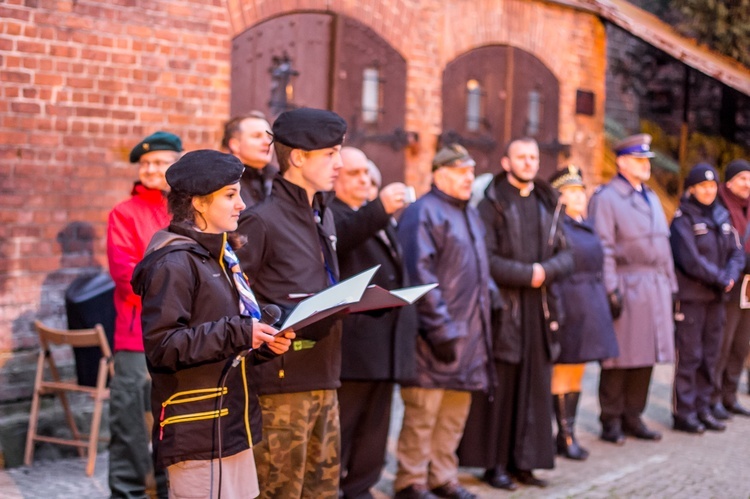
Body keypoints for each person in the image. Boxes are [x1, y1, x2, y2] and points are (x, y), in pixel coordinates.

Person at [130, 150, 294, 498]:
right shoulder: (173, 263)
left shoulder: (223, 256)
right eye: (231, 195)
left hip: (233, 423)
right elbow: (163, 346)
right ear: (199, 204)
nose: (242, 204)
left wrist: (261, 344)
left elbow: (225, 339)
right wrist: (239, 331)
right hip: (197, 426)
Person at [235, 107, 348, 498]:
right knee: (280, 492)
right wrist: (278, 317)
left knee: (323, 492)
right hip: (282, 386)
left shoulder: (323, 215)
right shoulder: (261, 220)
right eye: (330, 153)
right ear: (298, 157)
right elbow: (236, 301)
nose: (340, 163)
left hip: (325, 375)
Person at [458, 138, 573, 490]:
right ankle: (496, 465)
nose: (528, 163)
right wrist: (529, 275)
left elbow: (567, 255)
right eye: (521, 157)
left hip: (539, 311)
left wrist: (544, 271)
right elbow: (485, 258)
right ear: (506, 162)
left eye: (533, 157)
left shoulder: (546, 201)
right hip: (504, 310)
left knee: (535, 389)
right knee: (503, 391)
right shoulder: (490, 203)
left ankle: (526, 462)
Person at [393, 144, 492, 499]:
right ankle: (411, 480)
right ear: (440, 174)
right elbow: (419, 275)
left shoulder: (469, 214)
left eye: (471, 171)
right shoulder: (423, 213)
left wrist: (491, 298)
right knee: (423, 414)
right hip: (433, 337)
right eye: (462, 172)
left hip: (469, 335)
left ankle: (443, 476)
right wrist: (440, 329)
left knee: (452, 415)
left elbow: (480, 267)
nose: (470, 178)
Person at [331, 147, 415, 499]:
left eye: (368, 173)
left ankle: (361, 488)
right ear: (335, 177)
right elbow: (347, 237)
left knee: (376, 425)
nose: (365, 180)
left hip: (385, 341)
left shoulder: (374, 218)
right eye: (355, 174)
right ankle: (335, 487)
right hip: (355, 345)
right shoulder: (333, 216)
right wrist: (379, 208)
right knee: (345, 425)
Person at [588, 133, 677, 444]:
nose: (645, 166)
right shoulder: (608, 198)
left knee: (646, 356)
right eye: (639, 161)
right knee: (619, 357)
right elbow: (604, 248)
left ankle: (633, 415)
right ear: (623, 163)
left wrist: (671, 285)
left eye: (646, 161)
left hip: (654, 285)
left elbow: (663, 246)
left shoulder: (650, 196)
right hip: (627, 283)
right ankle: (610, 418)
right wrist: (610, 290)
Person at [106, 131, 182, 499]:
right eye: (146, 163)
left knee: (175, 429)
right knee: (132, 430)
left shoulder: (188, 212)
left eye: (160, 162)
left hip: (184, 338)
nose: (151, 169)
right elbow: (126, 276)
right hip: (137, 339)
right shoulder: (125, 213)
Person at [547, 165, 619, 459]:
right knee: (564, 370)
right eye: (571, 192)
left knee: (578, 371)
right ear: (560, 197)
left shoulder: (585, 223)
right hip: (569, 303)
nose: (579, 197)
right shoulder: (557, 226)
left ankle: (569, 431)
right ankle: (564, 436)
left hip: (590, 304)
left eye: (580, 191)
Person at [670, 163, 744, 434]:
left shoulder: (721, 216)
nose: (708, 190)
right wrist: (720, 277)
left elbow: (737, 253)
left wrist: (730, 275)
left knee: (710, 355)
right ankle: (684, 412)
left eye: (712, 186)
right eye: (702, 186)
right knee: (690, 356)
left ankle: (703, 408)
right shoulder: (683, 219)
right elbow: (690, 259)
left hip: (717, 299)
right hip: (692, 297)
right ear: (692, 188)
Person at [712, 159, 750, 419]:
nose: (747, 184)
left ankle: (730, 395)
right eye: (742, 179)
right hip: (731, 283)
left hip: (749, 285)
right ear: (729, 182)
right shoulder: (720, 207)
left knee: (741, 343)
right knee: (722, 344)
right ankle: (713, 398)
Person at [222, 111, 277, 210]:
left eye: (269, 137)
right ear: (235, 145)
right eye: (257, 136)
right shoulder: (223, 182)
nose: (267, 142)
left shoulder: (279, 180)